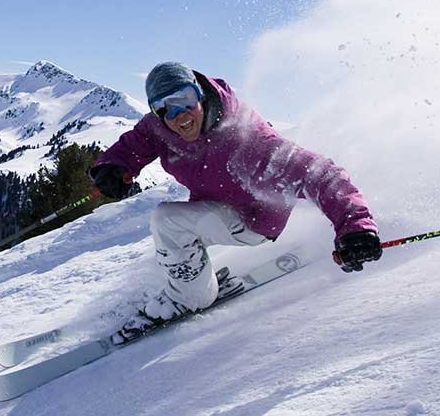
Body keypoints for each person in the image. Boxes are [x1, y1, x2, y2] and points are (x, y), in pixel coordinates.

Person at [91, 62, 381, 343]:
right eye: (164, 107)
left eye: (185, 99)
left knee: (168, 222)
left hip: (253, 221)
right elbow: (137, 142)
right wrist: (115, 166)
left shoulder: (248, 139)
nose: (178, 114)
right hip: (217, 209)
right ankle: (190, 279)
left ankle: (187, 298)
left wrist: (354, 226)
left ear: (200, 92)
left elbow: (321, 175)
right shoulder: (162, 127)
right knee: (171, 234)